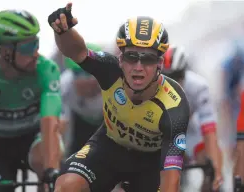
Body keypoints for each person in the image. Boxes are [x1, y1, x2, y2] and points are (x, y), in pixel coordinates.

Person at [48, 3, 191, 192]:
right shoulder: (110, 70)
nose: (138, 66)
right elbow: (77, 51)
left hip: (150, 163)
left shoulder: (175, 105)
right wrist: (62, 31)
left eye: (147, 59)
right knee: (67, 186)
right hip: (109, 147)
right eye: (132, 57)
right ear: (121, 60)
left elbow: (171, 180)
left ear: (160, 64)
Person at [0, 10, 63, 192]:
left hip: (33, 139)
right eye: (28, 47)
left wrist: (51, 170)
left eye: (36, 44)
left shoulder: (46, 70)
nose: (36, 53)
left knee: (47, 163)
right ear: (6, 51)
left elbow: (50, 122)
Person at [162, 45, 223, 191]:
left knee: (211, 164)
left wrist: (215, 170)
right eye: (168, 78)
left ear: (185, 73)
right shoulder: (152, 87)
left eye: (177, 77)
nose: (173, 83)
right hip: (164, 133)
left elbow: (209, 128)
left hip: (190, 131)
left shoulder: (199, 87)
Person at [60, 43, 104, 157]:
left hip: (106, 123)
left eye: (88, 74)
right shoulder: (65, 84)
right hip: (79, 124)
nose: (83, 82)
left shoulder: (113, 85)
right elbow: (60, 124)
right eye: (77, 73)